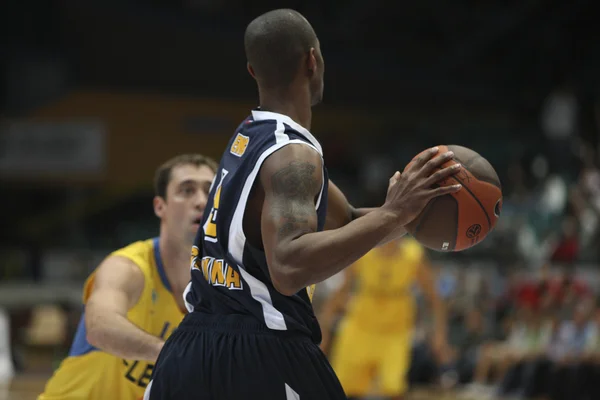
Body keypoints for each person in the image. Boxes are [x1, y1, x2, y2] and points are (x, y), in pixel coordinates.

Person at [145, 8, 461, 400]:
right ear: (313, 60)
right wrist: (395, 212)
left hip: (189, 353)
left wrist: (412, 212)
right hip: (259, 352)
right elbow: (289, 266)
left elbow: (348, 224)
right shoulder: (294, 154)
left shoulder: (251, 137)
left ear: (252, 71)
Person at [38, 154, 217, 400]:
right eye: (186, 191)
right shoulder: (127, 267)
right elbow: (100, 327)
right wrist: (172, 352)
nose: (200, 201)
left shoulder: (222, 284)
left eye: (210, 191)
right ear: (160, 206)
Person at [319, 237, 450, 399]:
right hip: (360, 329)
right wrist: (323, 330)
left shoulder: (413, 254)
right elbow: (340, 291)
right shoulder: (363, 251)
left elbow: (434, 297)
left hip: (395, 333)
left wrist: (440, 334)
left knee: (394, 388)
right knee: (343, 388)